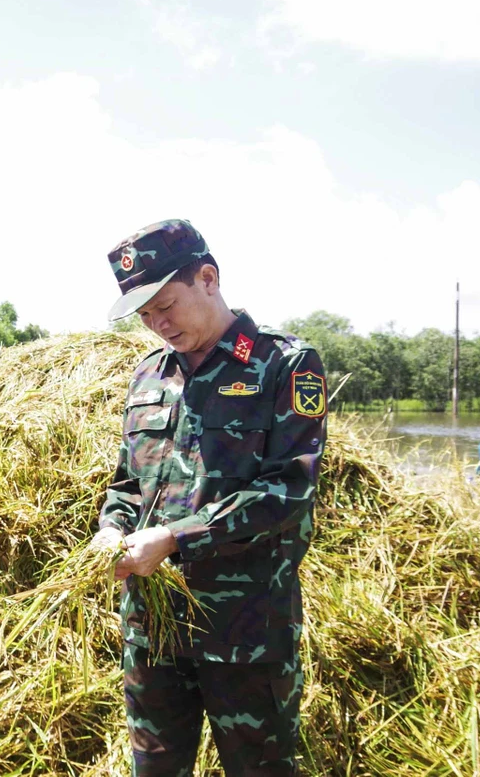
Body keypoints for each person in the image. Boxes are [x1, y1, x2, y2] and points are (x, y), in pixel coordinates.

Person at [94, 219, 327, 775]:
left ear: (207, 277)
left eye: (166, 306)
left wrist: (175, 538)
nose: (157, 325)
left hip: (245, 631)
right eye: (145, 315)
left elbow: (287, 489)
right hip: (152, 626)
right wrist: (111, 529)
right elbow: (130, 482)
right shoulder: (150, 375)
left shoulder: (283, 364)